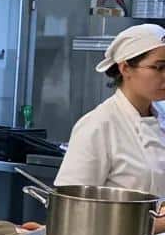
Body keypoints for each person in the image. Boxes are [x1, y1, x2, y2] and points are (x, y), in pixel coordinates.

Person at [56, 23, 165, 197]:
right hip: (123, 225)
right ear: (126, 68)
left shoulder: (161, 117)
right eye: (159, 67)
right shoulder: (98, 126)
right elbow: (73, 204)